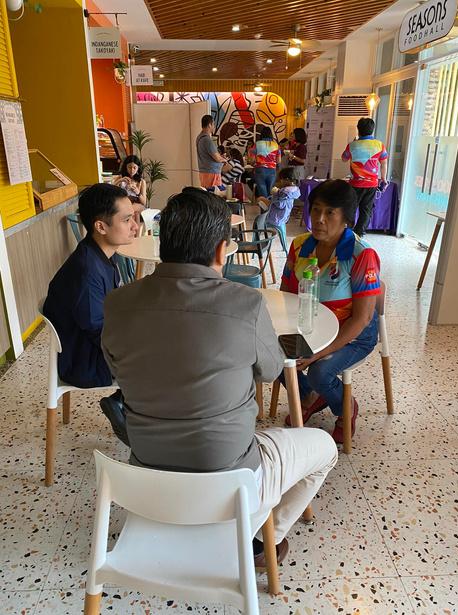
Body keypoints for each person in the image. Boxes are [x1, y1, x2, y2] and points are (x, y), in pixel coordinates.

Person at [102, 188, 337, 565]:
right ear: (220, 251)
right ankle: (258, 540)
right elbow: (271, 370)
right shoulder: (245, 303)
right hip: (230, 481)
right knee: (324, 448)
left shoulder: (117, 304)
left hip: (146, 479)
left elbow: (117, 370)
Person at [280, 179, 381, 443]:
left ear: (346, 218)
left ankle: (345, 407)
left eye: (329, 212)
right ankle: (311, 396)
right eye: (316, 209)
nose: (319, 219)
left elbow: (362, 318)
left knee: (319, 371)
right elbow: (285, 293)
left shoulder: (361, 255)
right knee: (273, 354)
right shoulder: (300, 245)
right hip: (310, 326)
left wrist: (317, 354)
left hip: (353, 335)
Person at [43, 183, 138, 445]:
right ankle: (129, 408)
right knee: (167, 353)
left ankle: (126, 402)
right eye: (127, 220)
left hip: (90, 346)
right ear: (101, 226)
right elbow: (98, 330)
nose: (135, 226)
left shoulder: (100, 255)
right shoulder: (87, 270)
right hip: (84, 362)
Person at [341, 117, 388, 236]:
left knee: (351, 208)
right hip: (372, 184)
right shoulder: (380, 145)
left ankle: (347, 232)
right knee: (366, 210)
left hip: (355, 183)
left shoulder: (352, 145)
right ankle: (359, 233)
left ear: (358, 129)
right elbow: (384, 163)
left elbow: (344, 159)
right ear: (372, 129)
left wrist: (353, 144)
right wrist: (383, 178)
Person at [264, 167, 301, 254]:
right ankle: (284, 247)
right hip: (284, 217)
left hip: (274, 217)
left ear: (287, 179)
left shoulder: (284, 192)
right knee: (263, 200)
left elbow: (279, 204)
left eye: (281, 179)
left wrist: (275, 193)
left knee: (261, 201)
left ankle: (259, 241)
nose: (280, 181)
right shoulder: (294, 190)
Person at [113, 155, 147, 229]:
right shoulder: (120, 178)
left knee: (133, 210)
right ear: (126, 167)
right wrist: (120, 181)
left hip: (137, 204)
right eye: (129, 167)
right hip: (123, 203)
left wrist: (137, 192)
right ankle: (132, 233)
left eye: (134, 167)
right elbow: (111, 191)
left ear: (138, 168)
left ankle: (134, 233)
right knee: (134, 213)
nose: (132, 170)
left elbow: (144, 202)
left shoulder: (141, 181)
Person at [196, 115, 227, 189]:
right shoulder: (207, 140)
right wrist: (224, 160)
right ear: (209, 125)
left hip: (204, 172)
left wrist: (220, 157)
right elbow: (217, 158)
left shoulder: (199, 137)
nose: (214, 126)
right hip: (212, 173)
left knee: (207, 193)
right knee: (215, 193)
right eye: (213, 124)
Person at [254, 126, 281, 197]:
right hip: (272, 170)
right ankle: (269, 204)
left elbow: (252, 160)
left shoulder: (257, 144)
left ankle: (263, 203)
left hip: (260, 169)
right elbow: (279, 161)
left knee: (262, 192)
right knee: (270, 192)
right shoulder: (276, 145)